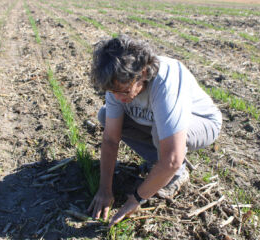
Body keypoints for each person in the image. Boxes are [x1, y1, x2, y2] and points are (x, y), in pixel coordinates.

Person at [87, 35, 222, 227]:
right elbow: (110, 139)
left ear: (142, 73)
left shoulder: (166, 82)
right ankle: (158, 164)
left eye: (124, 92)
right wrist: (104, 190)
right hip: (156, 123)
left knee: (165, 140)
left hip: (202, 122)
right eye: (111, 92)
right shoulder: (117, 83)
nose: (117, 98)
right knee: (105, 115)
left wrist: (136, 199)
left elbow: (172, 159)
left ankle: (177, 175)